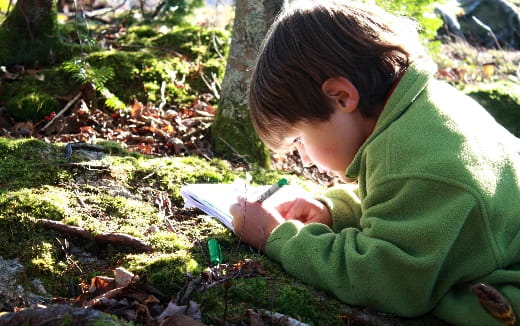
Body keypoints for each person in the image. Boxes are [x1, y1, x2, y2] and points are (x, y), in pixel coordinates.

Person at [228, 1, 520, 325]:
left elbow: (387, 280)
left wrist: (277, 237)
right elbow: (408, 202)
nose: (306, 159)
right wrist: (333, 211)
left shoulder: (413, 158)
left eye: (299, 140)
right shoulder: (422, 112)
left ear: (341, 97)